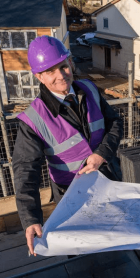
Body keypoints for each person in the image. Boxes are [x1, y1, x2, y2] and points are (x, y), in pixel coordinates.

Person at [13, 36, 123, 256]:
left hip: (108, 180)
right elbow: (25, 170)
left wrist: (101, 154)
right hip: (71, 196)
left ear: (71, 63)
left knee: (113, 235)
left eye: (63, 66)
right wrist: (31, 218)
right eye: (51, 71)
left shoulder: (90, 90)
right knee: (79, 246)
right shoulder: (33, 120)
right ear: (39, 76)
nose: (60, 76)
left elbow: (115, 123)